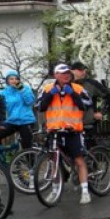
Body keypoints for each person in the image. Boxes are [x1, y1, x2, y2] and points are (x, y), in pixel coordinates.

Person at [38, 63, 94, 205]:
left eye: (68, 73)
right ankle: (55, 190)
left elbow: (87, 104)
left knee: (79, 160)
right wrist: (51, 95)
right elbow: (40, 106)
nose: (66, 75)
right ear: (56, 75)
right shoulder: (47, 89)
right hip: (54, 131)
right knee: (53, 161)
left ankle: (85, 191)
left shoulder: (78, 88)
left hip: (72, 130)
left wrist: (72, 94)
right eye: (62, 73)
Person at [70, 61, 110, 144]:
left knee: (89, 151)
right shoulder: (66, 84)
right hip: (70, 124)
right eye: (80, 70)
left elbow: (108, 96)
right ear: (73, 71)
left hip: (87, 124)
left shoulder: (91, 84)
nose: (84, 72)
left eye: (84, 70)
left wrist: (102, 112)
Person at [0, 69, 37, 148]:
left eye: (16, 78)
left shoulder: (25, 88)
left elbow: (30, 102)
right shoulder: (3, 93)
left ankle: (30, 160)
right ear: (7, 81)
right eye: (11, 79)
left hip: (26, 120)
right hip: (12, 121)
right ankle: (1, 156)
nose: (14, 80)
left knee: (26, 144)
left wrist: (21, 89)